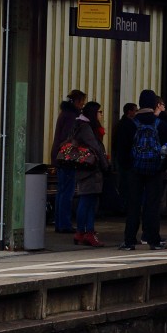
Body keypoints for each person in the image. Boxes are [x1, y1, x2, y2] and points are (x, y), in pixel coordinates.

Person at [120, 89, 167, 251]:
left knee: (133, 204)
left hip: (134, 170)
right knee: (152, 205)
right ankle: (153, 240)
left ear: (140, 103)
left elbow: (123, 150)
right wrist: (163, 167)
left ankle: (129, 241)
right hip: (155, 170)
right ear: (155, 104)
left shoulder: (130, 124)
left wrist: (127, 167)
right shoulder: (161, 124)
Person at [71, 102, 110, 246]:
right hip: (90, 170)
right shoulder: (86, 128)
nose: (101, 114)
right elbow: (95, 148)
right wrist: (105, 165)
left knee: (87, 200)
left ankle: (82, 232)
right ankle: (86, 232)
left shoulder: (80, 126)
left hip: (84, 169)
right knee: (88, 201)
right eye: (100, 111)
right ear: (93, 113)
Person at [50, 89, 86, 233]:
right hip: (67, 158)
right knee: (67, 191)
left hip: (59, 157)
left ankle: (60, 223)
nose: (82, 105)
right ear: (77, 101)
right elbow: (68, 137)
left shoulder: (64, 113)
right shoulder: (72, 116)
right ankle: (64, 224)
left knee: (62, 191)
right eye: (81, 102)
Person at [111, 103, 138, 207]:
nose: (136, 112)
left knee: (123, 183)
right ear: (130, 112)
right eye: (135, 110)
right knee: (126, 183)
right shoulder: (130, 125)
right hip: (127, 159)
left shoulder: (120, 124)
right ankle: (125, 205)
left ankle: (123, 205)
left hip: (121, 157)